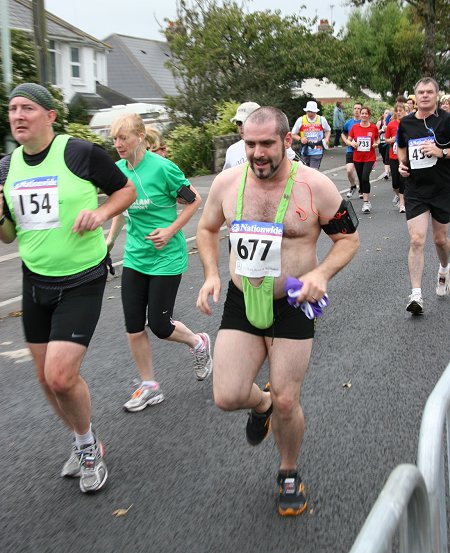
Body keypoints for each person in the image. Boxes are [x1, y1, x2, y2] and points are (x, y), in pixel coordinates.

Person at [195, 106, 359, 516]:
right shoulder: (228, 183)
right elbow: (206, 228)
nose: (258, 152)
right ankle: (260, 405)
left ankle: (288, 471)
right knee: (228, 395)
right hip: (242, 298)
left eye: (267, 143)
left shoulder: (316, 186)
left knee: (288, 399)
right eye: (250, 143)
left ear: (288, 140)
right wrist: (211, 274)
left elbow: (349, 240)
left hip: (293, 302)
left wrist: (320, 273)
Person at [0, 83, 137, 493]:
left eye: (27, 108)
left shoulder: (78, 153)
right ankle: (86, 441)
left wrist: (100, 213)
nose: (18, 116)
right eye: (12, 109)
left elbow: (125, 190)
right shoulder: (6, 168)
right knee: (45, 379)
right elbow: (8, 235)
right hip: (35, 280)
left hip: (81, 279)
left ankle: (88, 450)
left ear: (50, 115)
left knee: (60, 376)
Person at [107, 113, 212, 412]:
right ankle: (149, 385)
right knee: (133, 326)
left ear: (140, 137)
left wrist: (169, 230)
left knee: (160, 325)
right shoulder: (116, 170)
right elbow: (119, 205)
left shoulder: (164, 169)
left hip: (166, 257)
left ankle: (198, 342)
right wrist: (110, 240)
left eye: (123, 137)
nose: (118, 144)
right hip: (135, 257)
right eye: (114, 139)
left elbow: (194, 199)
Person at [397, 77, 450, 314]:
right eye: (421, 92)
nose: (425, 95)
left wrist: (442, 151)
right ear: (415, 96)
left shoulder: (447, 120)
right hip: (416, 189)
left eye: (430, 92)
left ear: (436, 95)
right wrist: (400, 163)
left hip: (442, 188)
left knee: (440, 240)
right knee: (417, 239)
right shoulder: (406, 123)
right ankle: (416, 294)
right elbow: (401, 146)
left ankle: (444, 268)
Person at [223, 102, 296, 169]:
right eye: (239, 123)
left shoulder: (281, 147)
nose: (242, 126)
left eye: (246, 121)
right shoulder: (232, 150)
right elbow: (225, 178)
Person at [349, 106, 380, 213]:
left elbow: (377, 139)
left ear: (369, 115)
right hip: (357, 157)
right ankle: (363, 193)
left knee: (365, 177)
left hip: (370, 157)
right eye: (362, 113)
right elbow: (349, 140)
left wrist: (376, 144)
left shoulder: (373, 127)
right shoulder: (355, 127)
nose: (364, 115)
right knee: (361, 179)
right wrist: (352, 143)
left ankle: (366, 203)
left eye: (366, 113)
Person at [291, 100, 331, 169]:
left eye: (312, 112)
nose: (310, 113)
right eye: (308, 111)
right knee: (304, 172)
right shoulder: (301, 120)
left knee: (314, 172)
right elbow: (293, 134)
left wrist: (327, 138)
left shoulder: (321, 119)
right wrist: (301, 139)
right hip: (305, 151)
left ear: (316, 111)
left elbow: (328, 130)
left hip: (317, 150)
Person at [385, 102, 407, 212]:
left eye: (400, 110)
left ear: (405, 111)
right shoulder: (391, 124)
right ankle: (399, 196)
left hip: (404, 157)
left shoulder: (408, 123)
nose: (398, 112)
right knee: (395, 183)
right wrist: (392, 140)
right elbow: (386, 139)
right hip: (393, 156)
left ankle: (402, 203)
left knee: (403, 180)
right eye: (397, 111)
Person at [341, 102, 362, 198]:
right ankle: (353, 186)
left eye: (359, 109)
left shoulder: (364, 122)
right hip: (350, 150)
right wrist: (347, 141)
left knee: (360, 171)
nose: (357, 110)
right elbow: (343, 133)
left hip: (362, 150)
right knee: (349, 170)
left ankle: (362, 189)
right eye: (355, 108)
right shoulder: (349, 123)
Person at [376, 109, 391, 180]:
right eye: (386, 113)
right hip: (381, 143)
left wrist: (387, 129)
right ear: (383, 114)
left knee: (387, 156)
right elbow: (375, 133)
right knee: (384, 157)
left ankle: (386, 173)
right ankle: (388, 169)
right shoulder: (379, 122)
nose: (387, 114)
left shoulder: (390, 122)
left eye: (389, 113)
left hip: (388, 143)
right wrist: (382, 130)